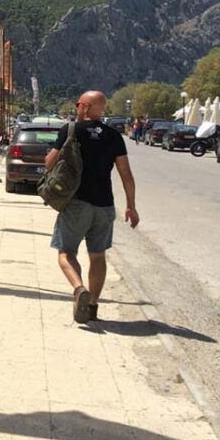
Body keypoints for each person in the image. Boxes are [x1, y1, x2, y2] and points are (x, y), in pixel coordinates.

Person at [44, 90, 139, 323]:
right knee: (98, 256)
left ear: (85, 107)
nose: (77, 107)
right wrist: (131, 206)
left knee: (66, 253)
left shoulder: (71, 130)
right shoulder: (114, 136)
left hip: (77, 203)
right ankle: (93, 307)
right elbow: (126, 175)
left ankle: (78, 289)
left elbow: (50, 164)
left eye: (78, 104)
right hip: (105, 206)